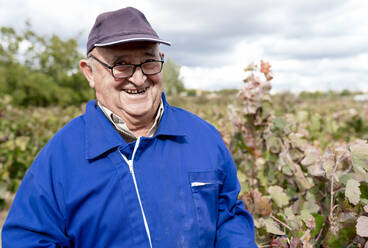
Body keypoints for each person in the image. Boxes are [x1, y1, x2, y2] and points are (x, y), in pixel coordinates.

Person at [2, 7, 257, 248]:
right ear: (89, 72)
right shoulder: (59, 158)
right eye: (121, 65)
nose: (138, 78)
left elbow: (229, 216)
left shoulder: (202, 137)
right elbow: (27, 239)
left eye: (149, 62)